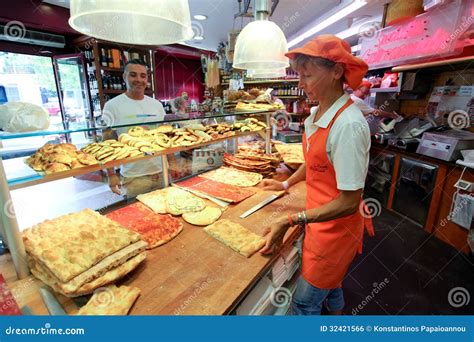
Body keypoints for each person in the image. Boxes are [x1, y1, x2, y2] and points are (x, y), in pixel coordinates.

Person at [260, 35, 375, 315]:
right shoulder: (316, 115)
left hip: (336, 229)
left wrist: (291, 219)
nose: (300, 84)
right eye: (299, 75)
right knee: (332, 284)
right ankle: (336, 314)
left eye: (307, 75)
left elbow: (349, 201)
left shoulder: (348, 125)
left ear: (336, 71)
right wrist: (285, 182)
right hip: (319, 216)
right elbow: (314, 162)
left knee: (303, 302)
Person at [103, 59, 166, 198]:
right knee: (138, 216)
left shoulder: (157, 105)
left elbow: (165, 137)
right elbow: (107, 143)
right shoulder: (112, 106)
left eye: (143, 76)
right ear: (124, 77)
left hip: (161, 171)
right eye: (133, 75)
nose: (139, 79)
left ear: (147, 78)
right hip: (133, 176)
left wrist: (172, 163)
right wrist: (111, 174)